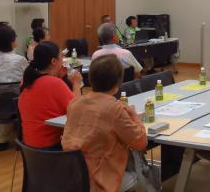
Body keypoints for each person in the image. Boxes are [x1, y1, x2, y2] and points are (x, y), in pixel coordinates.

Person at [62, 54, 148, 192]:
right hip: (99, 181)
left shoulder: (74, 103)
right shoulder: (115, 109)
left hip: (72, 177)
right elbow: (141, 142)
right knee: (139, 171)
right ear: (117, 84)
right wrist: (133, 115)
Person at [18, 41, 82, 149]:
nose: (63, 60)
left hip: (29, 149)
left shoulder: (26, 81)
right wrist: (76, 84)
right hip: (51, 148)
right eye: (61, 57)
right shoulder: (54, 83)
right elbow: (77, 110)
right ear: (53, 61)